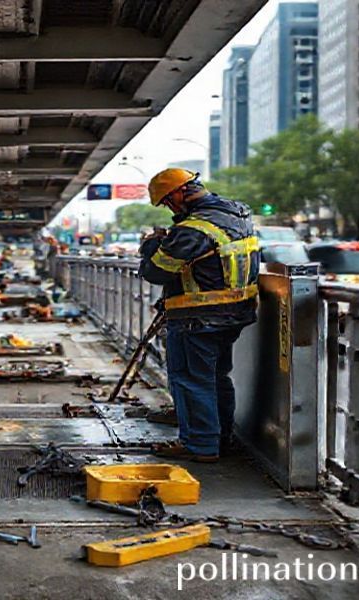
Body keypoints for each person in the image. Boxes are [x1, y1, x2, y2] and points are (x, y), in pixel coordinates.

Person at [139, 169, 260, 463]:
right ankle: (220, 438)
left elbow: (156, 271)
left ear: (179, 193)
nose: (170, 209)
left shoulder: (195, 228)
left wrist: (151, 245)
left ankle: (200, 445)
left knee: (191, 380)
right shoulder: (238, 216)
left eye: (168, 202)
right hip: (234, 314)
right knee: (217, 378)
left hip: (197, 317)